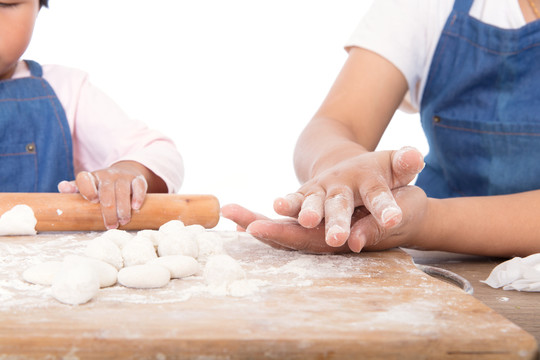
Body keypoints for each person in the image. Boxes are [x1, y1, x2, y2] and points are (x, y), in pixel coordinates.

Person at [222, 0, 540, 257]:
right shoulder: (428, 6)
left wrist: (426, 221)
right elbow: (337, 122)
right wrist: (346, 177)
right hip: (442, 266)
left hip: (431, 233)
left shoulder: (423, 221)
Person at [0, 0, 183, 229]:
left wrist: (128, 172)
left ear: (37, 8)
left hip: (48, 263)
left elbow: (158, 152)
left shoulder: (66, 91)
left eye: (5, 4)